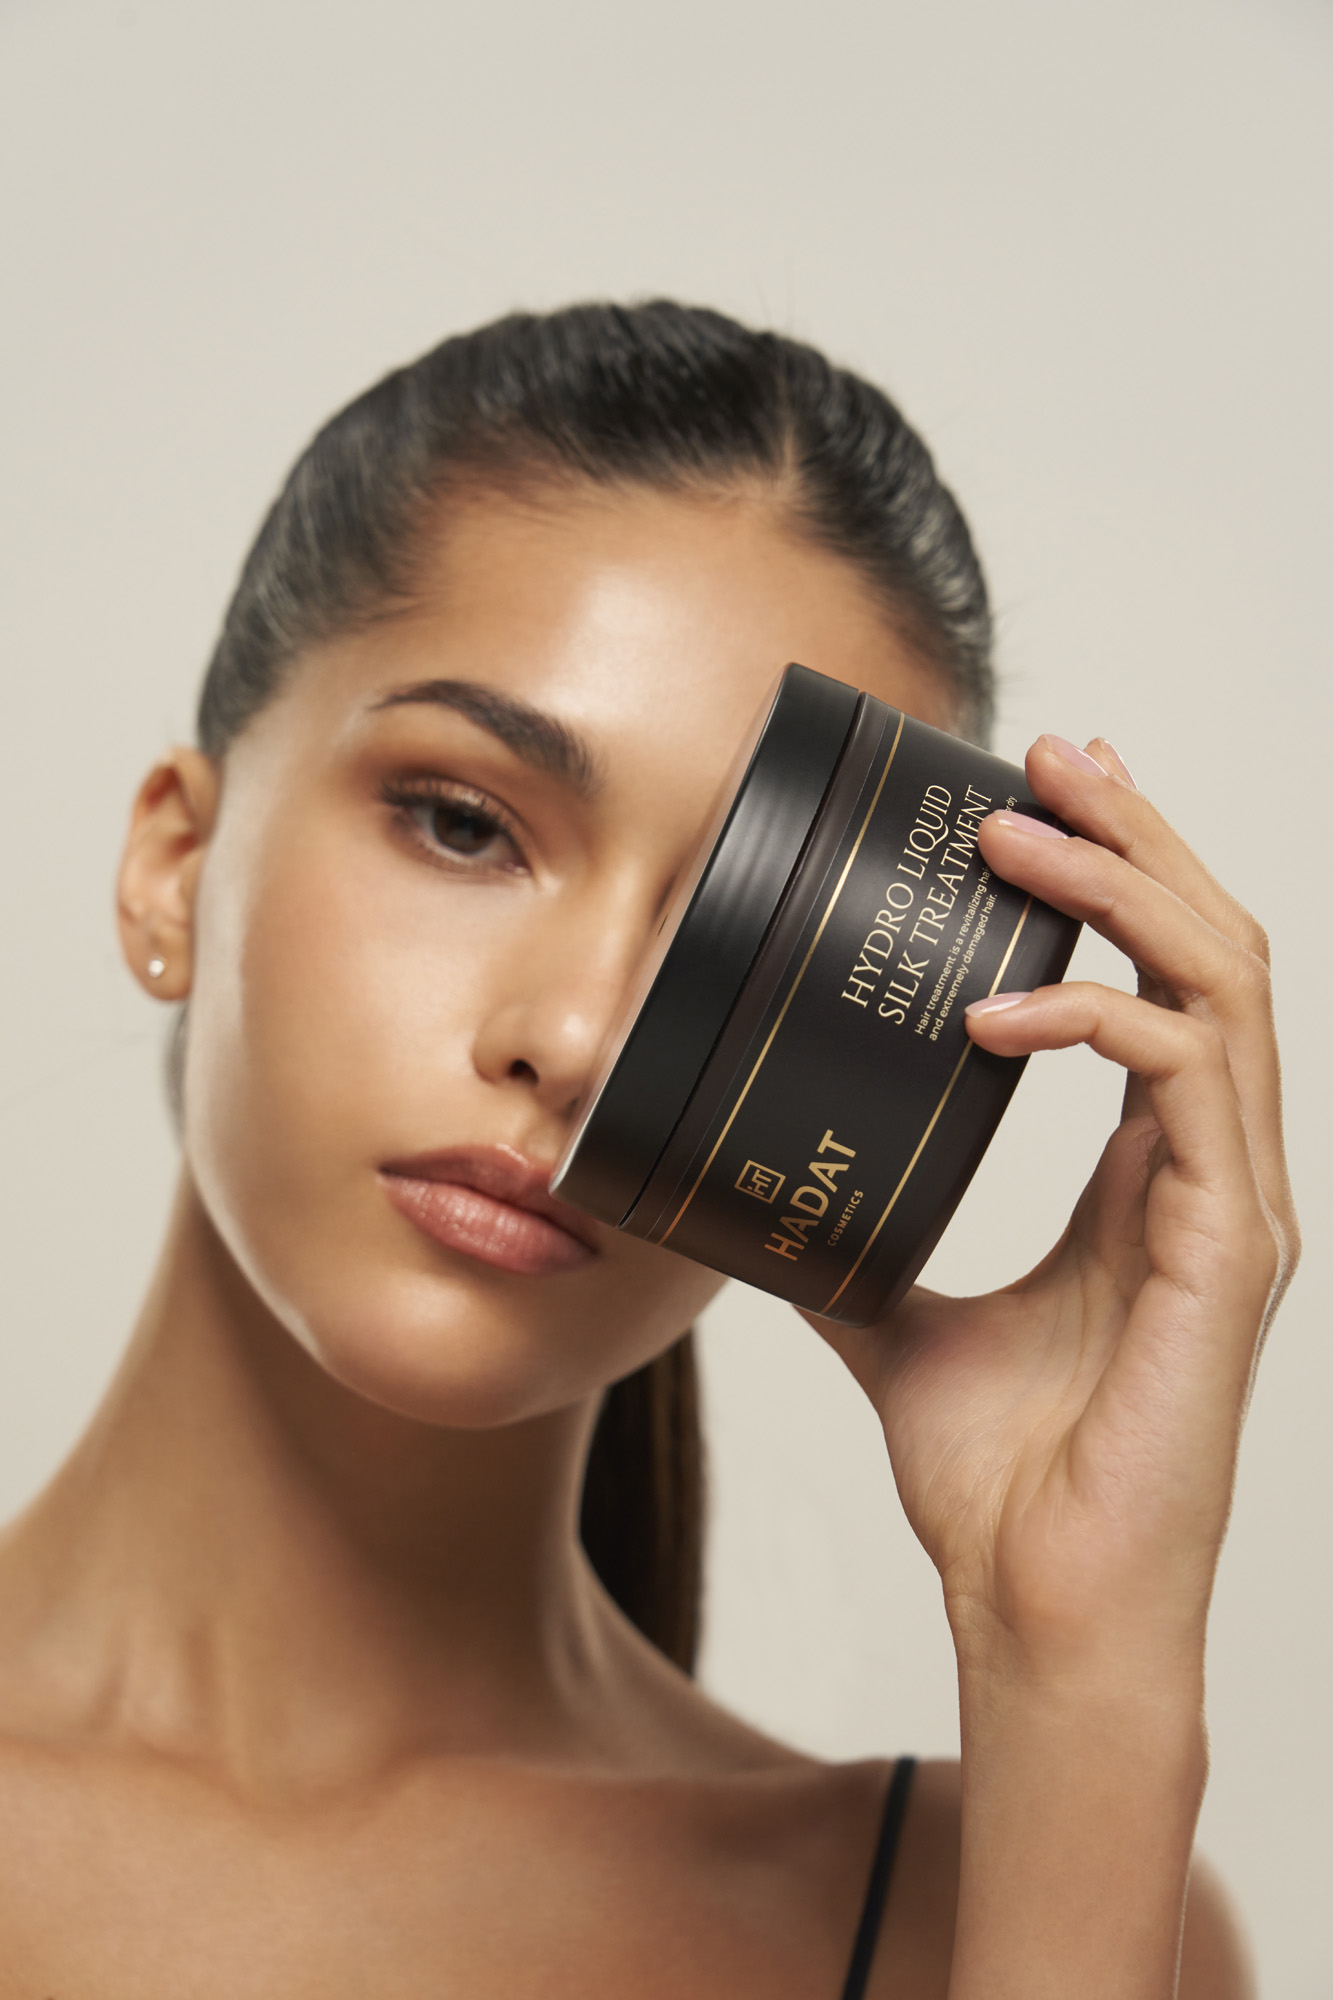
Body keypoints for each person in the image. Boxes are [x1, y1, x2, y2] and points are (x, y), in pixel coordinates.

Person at [0, 302, 1293, 1996]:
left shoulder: (978, 1903)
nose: (581, 1035)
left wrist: (1080, 1668)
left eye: (743, 948)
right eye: (463, 824)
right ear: (175, 865)